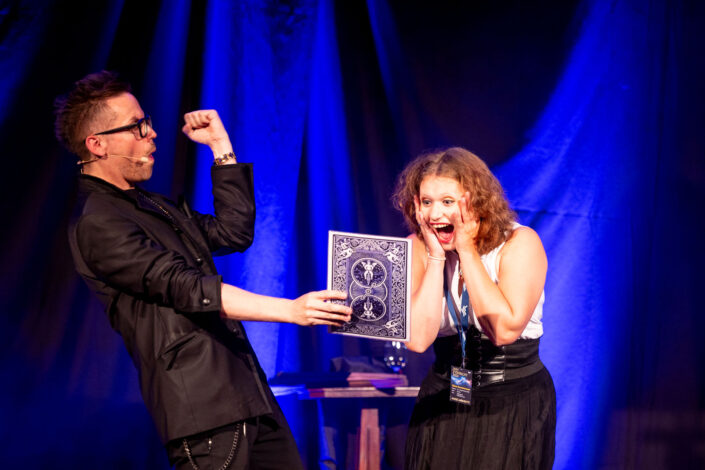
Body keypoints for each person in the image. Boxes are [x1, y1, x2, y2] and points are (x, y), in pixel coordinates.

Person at [54, 71, 352, 470]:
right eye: (137, 126)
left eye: (147, 123)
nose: (151, 133)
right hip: (204, 411)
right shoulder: (98, 222)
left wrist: (220, 147)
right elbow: (189, 288)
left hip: (246, 392)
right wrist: (291, 310)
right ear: (97, 144)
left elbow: (233, 232)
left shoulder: (150, 206)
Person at [392, 147, 556, 469]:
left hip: (511, 399)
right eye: (427, 202)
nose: (435, 214)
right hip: (445, 396)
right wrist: (436, 257)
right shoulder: (417, 248)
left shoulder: (519, 243)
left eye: (447, 202)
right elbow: (417, 340)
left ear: (476, 201)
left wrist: (466, 250)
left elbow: (504, 331)